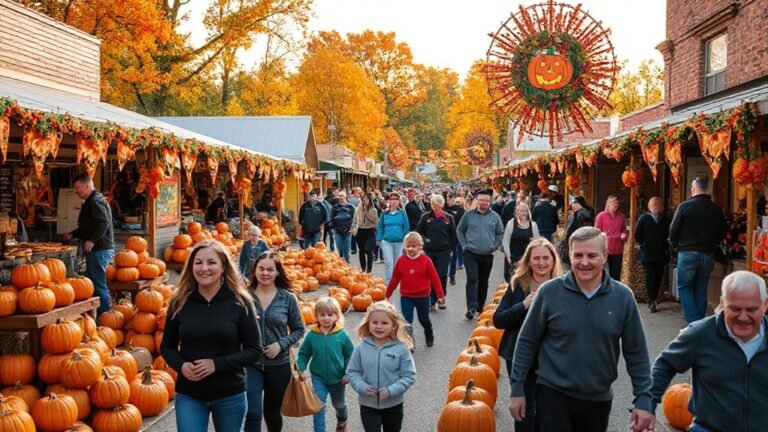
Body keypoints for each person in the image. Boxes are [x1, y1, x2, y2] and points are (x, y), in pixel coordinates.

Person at [508, 227, 654, 432]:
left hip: (597, 398)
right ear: (569, 255)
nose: (584, 262)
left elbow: (636, 352)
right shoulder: (549, 293)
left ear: (605, 255)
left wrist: (644, 398)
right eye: (578, 255)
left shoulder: (622, 298)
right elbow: (527, 341)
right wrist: (517, 388)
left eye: (592, 255)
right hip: (552, 392)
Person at [160, 240, 262, 431]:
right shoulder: (179, 302)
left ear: (223, 267)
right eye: (198, 262)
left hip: (230, 393)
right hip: (190, 393)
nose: (204, 268)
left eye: (211, 262)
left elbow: (254, 350)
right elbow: (167, 347)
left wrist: (216, 364)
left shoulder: (240, 302)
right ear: (191, 267)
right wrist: (181, 366)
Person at [649, 270, 768, 432]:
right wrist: (646, 404)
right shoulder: (701, 334)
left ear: (765, 305)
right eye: (735, 309)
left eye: (751, 310)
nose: (743, 317)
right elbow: (665, 364)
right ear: (722, 303)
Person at [493, 238, 563, 432]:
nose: (541, 263)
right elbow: (498, 320)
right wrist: (524, 304)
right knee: (524, 408)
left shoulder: (562, 286)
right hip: (518, 355)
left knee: (545, 408)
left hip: (550, 357)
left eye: (546, 258)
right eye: (536, 258)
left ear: (553, 260)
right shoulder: (518, 284)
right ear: (528, 261)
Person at [245, 252, 306, 432]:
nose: (265, 273)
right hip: (251, 364)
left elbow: (299, 329)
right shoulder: (245, 297)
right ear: (255, 270)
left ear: (277, 272)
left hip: (279, 365)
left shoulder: (287, 298)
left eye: (270, 270)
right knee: (252, 412)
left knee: (272, 412)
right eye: (261, 269)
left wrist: (281, 344)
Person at [347, 302, 416, 432]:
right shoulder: (360, 348)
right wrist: (362, 387)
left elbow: (409, 375)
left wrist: (391, 390)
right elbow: (352, 372)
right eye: (375, 322)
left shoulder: (401, 349)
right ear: (368, 324)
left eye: (384, 323)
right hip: (368, 405)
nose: (379, 326)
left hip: (393, 405)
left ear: (394, 325)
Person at [669, 177, 727, 324]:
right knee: (701, 289)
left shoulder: (684, 207)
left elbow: (673, 230)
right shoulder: (716, 209)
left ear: (693, 189)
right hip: (708, 253)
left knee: (685, 287)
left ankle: (694, 323)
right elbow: (722, 232)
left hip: (687, 252)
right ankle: (700, 324)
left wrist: (675, 245)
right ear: (706, 189)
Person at [297, 297, 355, 432]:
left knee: (339, 405)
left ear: (337, 316)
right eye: (322, 314)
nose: (326, 318)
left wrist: (347, 372)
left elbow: (350, 355)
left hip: (338, 378)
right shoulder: (312, 335)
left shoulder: (342, 335)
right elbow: (304, 353)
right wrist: (301, 368)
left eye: (330, 314)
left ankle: (342, 420)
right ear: (316, 316)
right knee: (318, 407)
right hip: (318, 378)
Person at [63, 173, 115, 316]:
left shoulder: (94, 202)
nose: (76, 191)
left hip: (99, 249)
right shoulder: (92, 200)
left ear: (86, 186)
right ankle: (98, 316)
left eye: (77, 187)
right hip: (97, 249)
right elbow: (89, 226)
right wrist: (73, 234)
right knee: (94, 284)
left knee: (98, 285)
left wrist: (92, 240)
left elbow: (103, 223)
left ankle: (105, 317)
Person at [385, 232, 445, 347]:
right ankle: (410, 342)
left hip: (422, 296)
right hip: (406, 296)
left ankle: (428, 332)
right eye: (408, 246)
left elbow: (434, 279)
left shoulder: (426, 261)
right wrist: (387, 295)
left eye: (413, 246)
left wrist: (440, 295)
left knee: (424, 319)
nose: (410, 249)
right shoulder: (401, 261)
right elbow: (394, 279)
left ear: (420, 247)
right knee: (407, 321)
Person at [456, 188, 504, 320]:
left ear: (490, 201)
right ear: (477, 200)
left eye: (487, 201)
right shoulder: (468, 215)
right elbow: (460, 230)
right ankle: (471, 307)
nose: (484, 203)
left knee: (483, 281)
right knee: (472, 278)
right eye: (481, 200)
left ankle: (480, 306)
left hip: (487, 254)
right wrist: (464, 245)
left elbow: (500, 232)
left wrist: (495, 245)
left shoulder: (495, 217)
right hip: (470, 253)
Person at [416, 195, 456, 310]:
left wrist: (452, 249)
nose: (435, 208)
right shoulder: (425, 217)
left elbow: (453, 235)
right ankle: (432, 300)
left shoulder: (449, 218)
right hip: (429, 251)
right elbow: (419, 232)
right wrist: (424, 241)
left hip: (444, 251)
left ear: (442, 205)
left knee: (442, 275)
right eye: (433, 205)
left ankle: (441, 297)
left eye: (437, 205)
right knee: (430, 276)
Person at [634, 196, 670, 313]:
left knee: (658, 277)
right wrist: (643, 244)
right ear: (649, 207)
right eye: (654, 204)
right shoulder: (644, 218)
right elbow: (637, 233)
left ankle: (654, 297)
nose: (656, 206)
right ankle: (651, 301)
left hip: (660, 253)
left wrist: (667, 246)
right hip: (647, 253)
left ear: (662, 207)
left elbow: (670, 234)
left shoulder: (666, 220)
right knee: (651, 276)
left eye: (658, 204)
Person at [376, 193, 410, 285]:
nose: (394, 201)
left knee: (397, 263)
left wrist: (405, 240)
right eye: (392, 199)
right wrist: (378, 238)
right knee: (388, 262)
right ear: (389, 201)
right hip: (387, 241)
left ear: (399, 201)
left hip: (399, 241)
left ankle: (397, 280)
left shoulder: (402, 213)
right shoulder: (384, 213)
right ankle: (389, 282)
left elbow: (406, 227)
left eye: (396, 199)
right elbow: (380, 227)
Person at [502, 201, 540, 283]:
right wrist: (508, 255)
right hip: (512, 258)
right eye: (521, 211)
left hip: (526, 258)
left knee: (525, 281)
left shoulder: (533, 225)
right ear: (517, 212)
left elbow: (536, 242)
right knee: (512, 281)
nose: (523, 213)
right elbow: (506, 240)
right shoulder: (511, 223)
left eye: (525, 211)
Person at [594, 195, 628, 281]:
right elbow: (596, 232)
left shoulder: (621, 217)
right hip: (604, 248)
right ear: (608, 204)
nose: (615, 204)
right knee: (602, 273)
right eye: (613, 202)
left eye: (616, 203)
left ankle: (614, 288)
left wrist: (624, 235)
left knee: (616, 274)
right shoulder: (600, 216)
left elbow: (624, 230)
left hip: (617, 248)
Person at [354, 193, 379, 273]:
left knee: (368, 249)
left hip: (370, 231)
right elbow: (355, 220)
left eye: (367, 199)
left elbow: (374, 221)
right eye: (364, 199)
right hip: (360, 231)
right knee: (361, 251)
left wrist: (366, 212)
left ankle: (369, 269)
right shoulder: (358, 209)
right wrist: (353, 229)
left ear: (370, 200)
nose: (365, 201)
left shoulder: (373, 210)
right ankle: (363, 268)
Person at [445, 195, 466, 286]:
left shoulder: (459, 210)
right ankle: (444, 275)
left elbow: (462, 225)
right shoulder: (443, 209)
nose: (449, 201)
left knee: (453, 255)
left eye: (450, 199)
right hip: (444, 236)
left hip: (454, 236)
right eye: (447, 199)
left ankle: (452, 275)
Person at [331, 192, 356, 263]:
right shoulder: (335, 207)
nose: (341, 198)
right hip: (337, 231)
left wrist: (352, 229)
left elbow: (354, 219)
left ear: (345, 197)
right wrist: (333, 227)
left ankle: (347, 261)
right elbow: (331, 218)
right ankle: (341, 261)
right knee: (340, 248)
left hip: (348, 232)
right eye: (339, 196)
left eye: (342, 196)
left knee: (347, 249)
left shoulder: (351, 207)